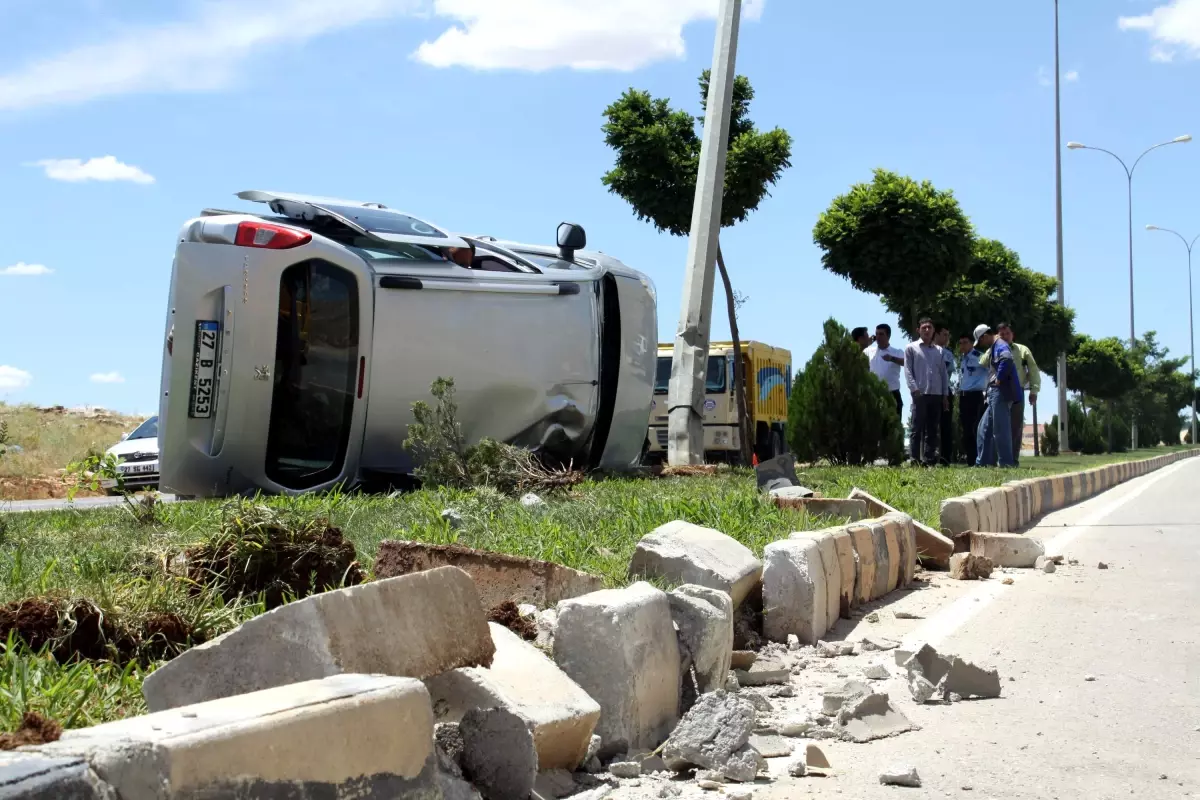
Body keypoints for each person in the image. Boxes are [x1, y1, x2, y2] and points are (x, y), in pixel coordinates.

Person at [979, 322, 1040, 466]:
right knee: (996, 427)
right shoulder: (995, 348)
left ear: (1013, 334)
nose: (1005, 336)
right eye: (1001, 334)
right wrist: (991, 350)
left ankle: (1012, 461)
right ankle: (993, 461)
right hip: (999, 392)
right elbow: (982, 362)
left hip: (1016, 392)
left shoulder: (1022, 350)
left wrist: (1034, 390)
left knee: (1015, 427)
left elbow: (1033, 370)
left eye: (1007, 333)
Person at [974, 324, 1021, 468]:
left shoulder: (1000, 344)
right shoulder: (995, 346)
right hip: (994, 393)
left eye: (981, 341)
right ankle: (982, 462)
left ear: (984, 336)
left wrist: (999, 378)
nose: (981, 345)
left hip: (1000, 392)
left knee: (1001, 429)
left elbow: (1006, 359)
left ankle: (1006, 463)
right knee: (984, 428)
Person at [905, 318, 947, 466]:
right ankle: (915, 459)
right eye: (924, 328)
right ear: (918, 330)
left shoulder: (940, 351)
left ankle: (929, 460)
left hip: (936, 393)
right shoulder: (911, 348)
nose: (927, 330)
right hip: (920, 393)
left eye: (929, 327)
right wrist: (914, 389)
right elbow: (908, 371)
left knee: (932, 429)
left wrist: (945, 395)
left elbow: (943, 374)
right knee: (917, 428)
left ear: (933, 330)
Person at [958, 332, 986, 466]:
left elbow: (991, 368)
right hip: (963, 396)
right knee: (966, 429)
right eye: (961, 343)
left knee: (975, 428)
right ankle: (971, 460)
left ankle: (978, 459)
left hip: (975, 395)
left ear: (971, 343)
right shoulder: (963, 359)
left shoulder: (979, 357)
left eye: (965, 342)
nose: (962, 346)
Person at [865, 324, 905, 417]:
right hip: (874, 393)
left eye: (881, 334)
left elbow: (906, 363)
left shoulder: (897, 352)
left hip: (892, 393)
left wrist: (892, 358)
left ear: (888, 336)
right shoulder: (868, 351)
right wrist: (867, 344)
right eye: (876, 334)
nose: (878, 337)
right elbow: (856, 356)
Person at [935, 324, 956, 465]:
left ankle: (945, 458)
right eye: (944, 334)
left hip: (945, 390)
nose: (947, 338)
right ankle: (927, 456)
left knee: (945, 426)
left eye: (948, 335)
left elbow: (947, 371)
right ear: (936, 335)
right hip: (928, 390)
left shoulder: (947, 353)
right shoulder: (926, 350)